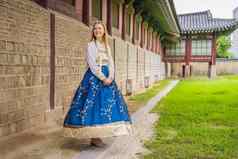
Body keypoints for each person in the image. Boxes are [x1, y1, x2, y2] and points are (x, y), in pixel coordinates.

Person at [63, 20, 133, 147]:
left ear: (104, 31)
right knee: (92, 104)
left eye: (100, 28)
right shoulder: (91, 45)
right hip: (94, 77)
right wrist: (102, 78)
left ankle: (99, 134)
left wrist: (111, 77)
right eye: (95, 29)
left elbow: (111, 63)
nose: (97, 31)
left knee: (105, 105)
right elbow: (92, 64)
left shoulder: (107, 46)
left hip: (108, 77)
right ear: (93, 32)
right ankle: (94, 137)